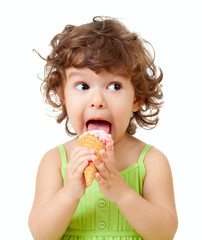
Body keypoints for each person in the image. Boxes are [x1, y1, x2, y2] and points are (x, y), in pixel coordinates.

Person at [28, 16, 178, 240]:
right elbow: (41, 234)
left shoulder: (151, 162)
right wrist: (69, 193)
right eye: (82, 86)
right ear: (62, 96)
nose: (97, 100)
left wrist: (123, 194)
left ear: (136, 99)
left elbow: (165, 233)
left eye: (114, 86)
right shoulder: (56, 161)